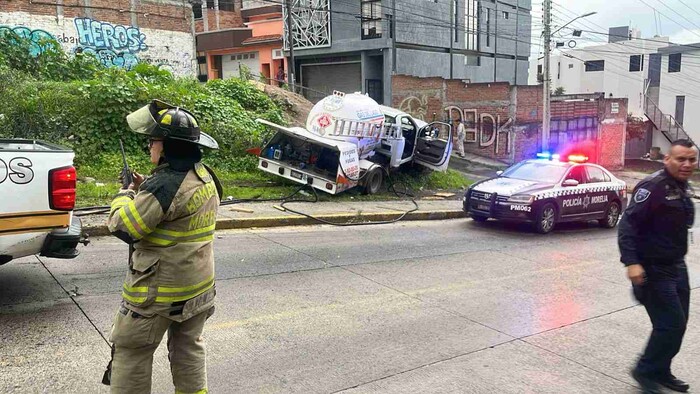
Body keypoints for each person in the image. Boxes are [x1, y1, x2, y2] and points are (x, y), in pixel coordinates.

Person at [103, 100, 222, 393]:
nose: (150, 148)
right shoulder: (206, 176)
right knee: (188, 350)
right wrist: (148, 186)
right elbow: (177, 208)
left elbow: (124, 226)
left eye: (154, 141)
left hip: (157, 296)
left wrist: (124, 194)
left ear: (168, 146)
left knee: (131, 352)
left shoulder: (164, 187)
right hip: (198, 290)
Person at [618, 139, 696, 393]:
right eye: (680, 159)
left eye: (691, 160)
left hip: (676, 266)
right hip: (653, 268)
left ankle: (661, 371)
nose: (686, 164)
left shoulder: (683, 186)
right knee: (670, 324)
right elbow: (628, 225)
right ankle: (644, 370)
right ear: (667, 160)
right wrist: (632, 263)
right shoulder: (653, 186)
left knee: (678, 324)